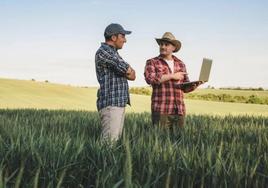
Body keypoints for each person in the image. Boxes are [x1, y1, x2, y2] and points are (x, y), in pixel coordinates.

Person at [144, 32, 203, 128]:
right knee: (160, 141)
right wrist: (172, 76)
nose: (163, 46)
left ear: (173, 48)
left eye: (166, 44)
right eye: (161, 44)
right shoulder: (152, 62)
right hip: (161, 110)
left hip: (179, 110)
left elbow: (184, 87)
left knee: (179, 141)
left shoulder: (180, 64)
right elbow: (150, 79)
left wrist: (194, 85)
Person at [95, 23, 136, 141]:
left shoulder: (114, 53)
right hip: (111, 104)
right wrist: (127, 70)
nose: (125, 40)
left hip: (117, 103)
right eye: (122, 36)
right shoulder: (104, 52)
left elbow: (133, 75)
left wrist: (127, 70)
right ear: (113, 37)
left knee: (114, 142)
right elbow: (127, 70)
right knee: (109, 143)